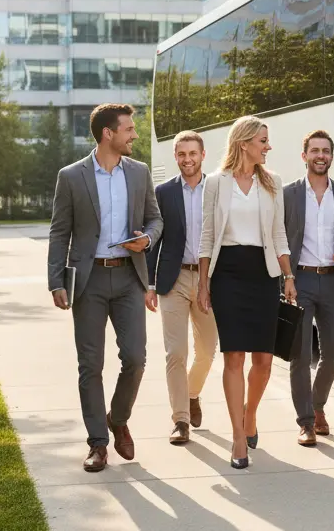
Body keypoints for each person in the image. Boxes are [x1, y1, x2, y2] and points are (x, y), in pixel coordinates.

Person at [47, 103, 163, 473]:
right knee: (90, 365)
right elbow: (59, 231)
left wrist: (146, 238)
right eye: (128, 129)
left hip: (129, 277)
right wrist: (56, 280)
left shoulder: (139, 172)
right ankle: (98, 443)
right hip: (89, 281)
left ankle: (118, 417)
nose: (134, 135)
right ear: (107, 134)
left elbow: (155, 218)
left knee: (135, 358)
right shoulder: (71, 176)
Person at [197, 116, 296, 469]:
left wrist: (288, 275)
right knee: (234, 357)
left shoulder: (273, 183)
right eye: (263, 141)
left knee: (265, 361)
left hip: (263, 273)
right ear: (244, 144)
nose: (268, 147)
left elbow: (279, 234)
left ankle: (250, 413)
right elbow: (207, 236)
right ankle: (238, 436)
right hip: (228, 275)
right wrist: (203, 282)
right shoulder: (216, 183)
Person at [283, 129, 334, 447]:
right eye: (315, 150)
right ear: (304, 156)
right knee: (300, 355)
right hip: (299, 280)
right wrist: (284, 278)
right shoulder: (288, 194)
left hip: (331, 280)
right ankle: (307, 422)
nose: (321, 155)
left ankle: (317, 404)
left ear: (331, 156)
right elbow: (278, 238)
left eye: (326, 150)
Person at [147, 131, 218, 446]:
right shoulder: (163, 192)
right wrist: (148, 283)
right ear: (175, 157)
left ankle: (192, 394)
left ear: (203, 155)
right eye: (181, 154)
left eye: (192, 153)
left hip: (209, 281)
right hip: (172, 281)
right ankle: (180, 420)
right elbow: (153, 240)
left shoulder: (217, 188)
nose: (187, 159)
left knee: (206, 351)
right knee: (175, 352)